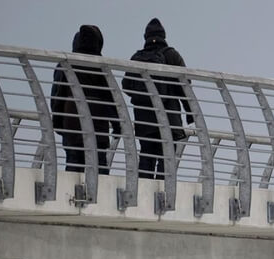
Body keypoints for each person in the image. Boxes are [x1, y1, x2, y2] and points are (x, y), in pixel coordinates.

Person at [121, 18, 193, 180]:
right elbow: (185, 87)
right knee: (166, 158)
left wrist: (142, 97)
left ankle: (143, 190)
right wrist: (190, 113)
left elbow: (126, 85)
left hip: (144, 119)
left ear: (145, 37)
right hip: (169, 118)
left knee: (147, 155)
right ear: (164, 36)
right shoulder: (172, 55)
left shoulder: (137, 58)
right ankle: (164, 192)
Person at [49, 24, 120, 175]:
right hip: (98, 125)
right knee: (99, 166)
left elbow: (58, 95)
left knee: (73, 165)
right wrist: (117, 124)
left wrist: (58, 122)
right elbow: (111, 99)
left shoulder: (66, 64)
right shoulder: (102, 67)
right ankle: (100, 196)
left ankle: (71, 195)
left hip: (72, 123)